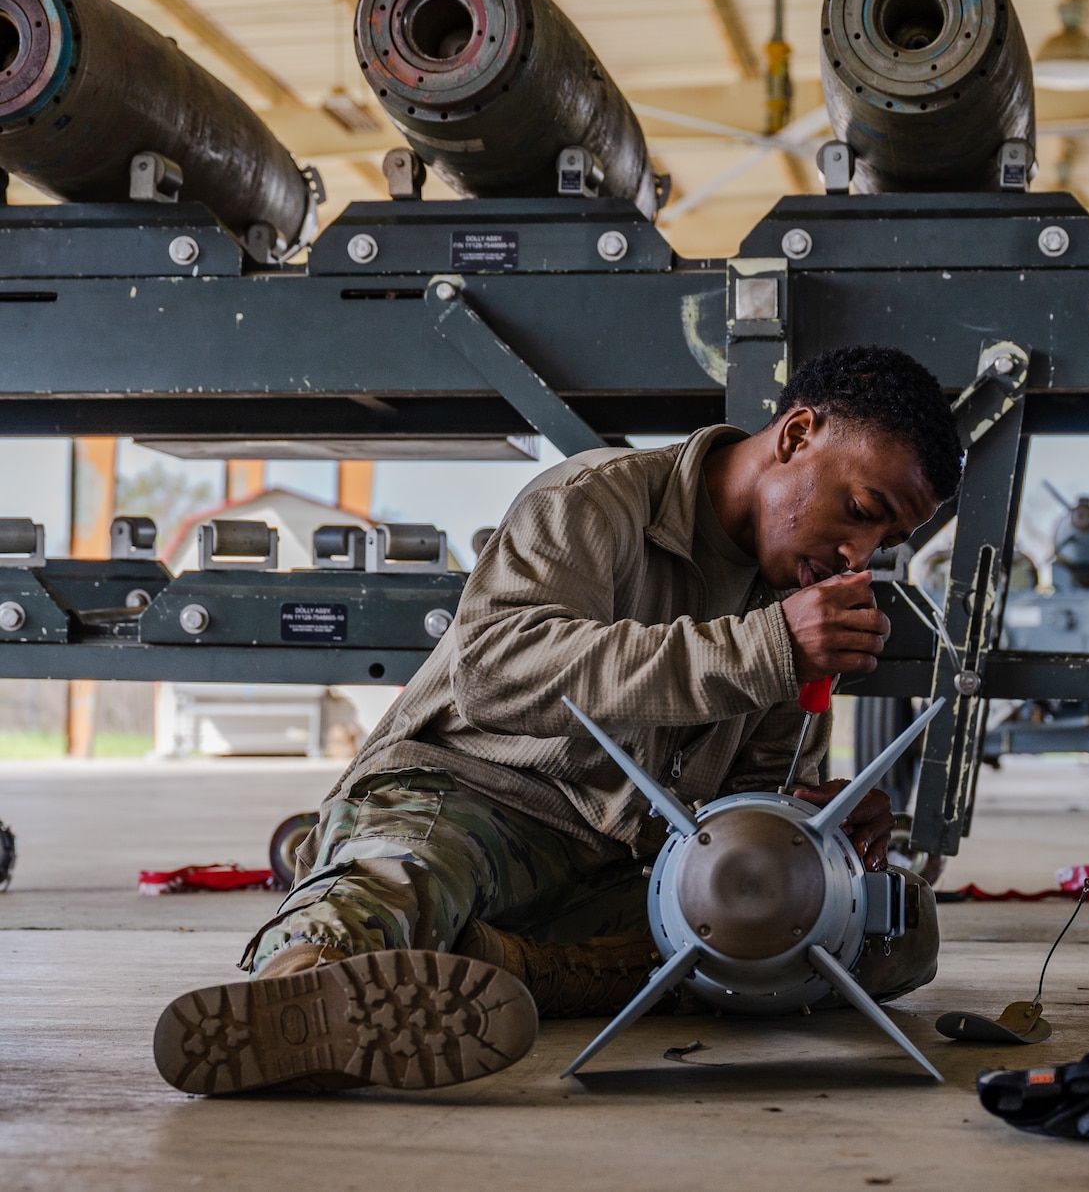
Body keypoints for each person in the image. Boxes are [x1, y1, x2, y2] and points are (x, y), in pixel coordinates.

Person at [153, 346, 963, 1095]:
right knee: (404, 880)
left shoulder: (796, 602)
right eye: (862, 508)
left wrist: (809, 829)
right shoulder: (594, 501)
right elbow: (495, 675)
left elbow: (739, 805)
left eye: (889, 539)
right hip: (474, 800)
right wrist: (762, 649)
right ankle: (295, 995)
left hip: (621, 866)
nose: (862, 553)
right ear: (795, 435)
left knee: (887, 925)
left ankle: (499, 965)